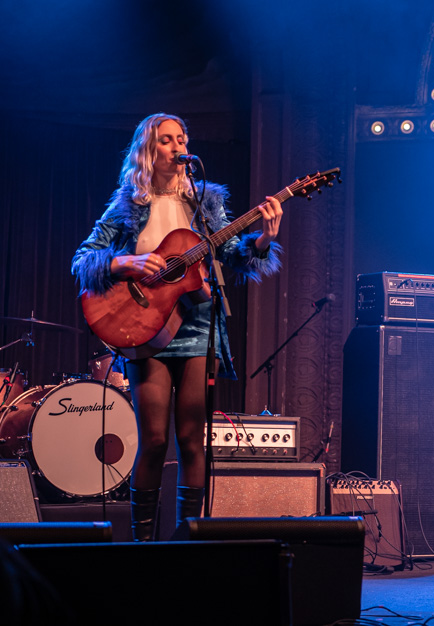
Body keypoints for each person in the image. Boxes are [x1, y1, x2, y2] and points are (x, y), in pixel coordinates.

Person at [72, 113, 284, 540]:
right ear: (149, 149)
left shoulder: (205, 201)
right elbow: (84, 258)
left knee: (192, 440)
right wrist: (124, 261)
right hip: (144, 326)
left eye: (181, 138)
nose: (176, 146)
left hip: (197, 324)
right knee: (153, 439)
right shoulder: (129, 202)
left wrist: (262, 239)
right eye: (166, 140)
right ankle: (142, 544)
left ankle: (188, 541)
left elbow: (233, 255)